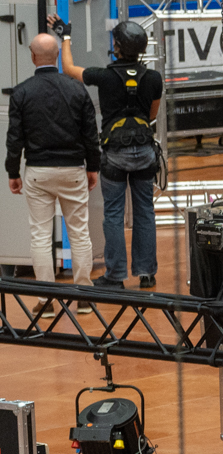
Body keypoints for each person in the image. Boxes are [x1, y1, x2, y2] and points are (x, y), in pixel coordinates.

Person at [51, 15, 162, 290]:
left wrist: (65, 36)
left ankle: (115, 276)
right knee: (145, 211)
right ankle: (147, 273)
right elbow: (151, 116)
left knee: (113, 214)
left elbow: (67, 69)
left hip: (114, 154)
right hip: (145, 153)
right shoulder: (154, 78)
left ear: (119, 47)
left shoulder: (104, 76)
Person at [6, 32, 98, 317]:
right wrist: (93, 167)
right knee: (80, 232)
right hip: (73, 170)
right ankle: (83, 296)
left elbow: (14, 139)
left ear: (33, 58)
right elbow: (90, 134)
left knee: (40, 234)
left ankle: (46, 300)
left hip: (37, 172)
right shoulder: (76, 89)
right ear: (58, 56)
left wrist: (13, 171)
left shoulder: (21, 92)